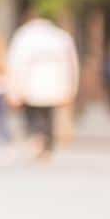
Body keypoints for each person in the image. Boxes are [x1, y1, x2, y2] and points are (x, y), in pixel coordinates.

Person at [6, 12, 79, 159]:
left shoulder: (24, 36)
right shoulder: (61, 37)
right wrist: (71, 87)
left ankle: (37, 139)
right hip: (54, 86)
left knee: (33, 114)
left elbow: (15, 64)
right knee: (48, 115)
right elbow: (72, 64)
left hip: (30, 87)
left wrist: (13, 88)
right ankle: (46, 144)